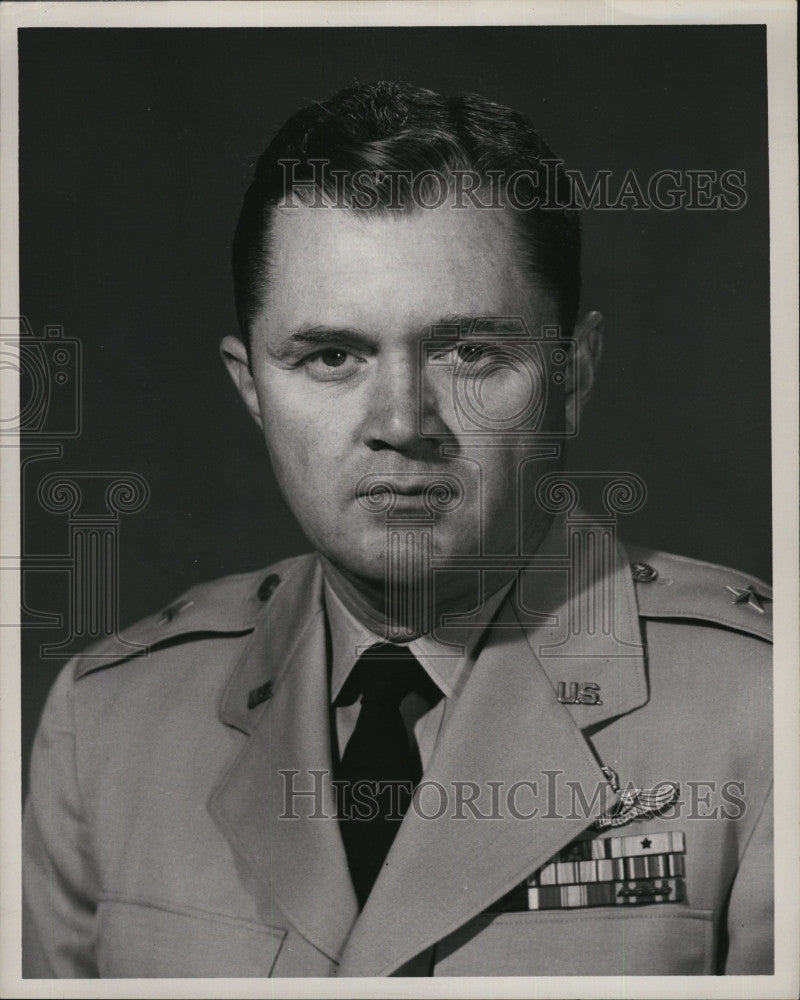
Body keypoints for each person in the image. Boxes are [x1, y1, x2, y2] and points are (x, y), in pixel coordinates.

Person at [22, 81, 772, 978]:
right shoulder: (109, 723)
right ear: (252, 389)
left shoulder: (763, 713)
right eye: (331, 356)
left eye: (470, 352)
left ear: (572, 378)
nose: (402, 420)